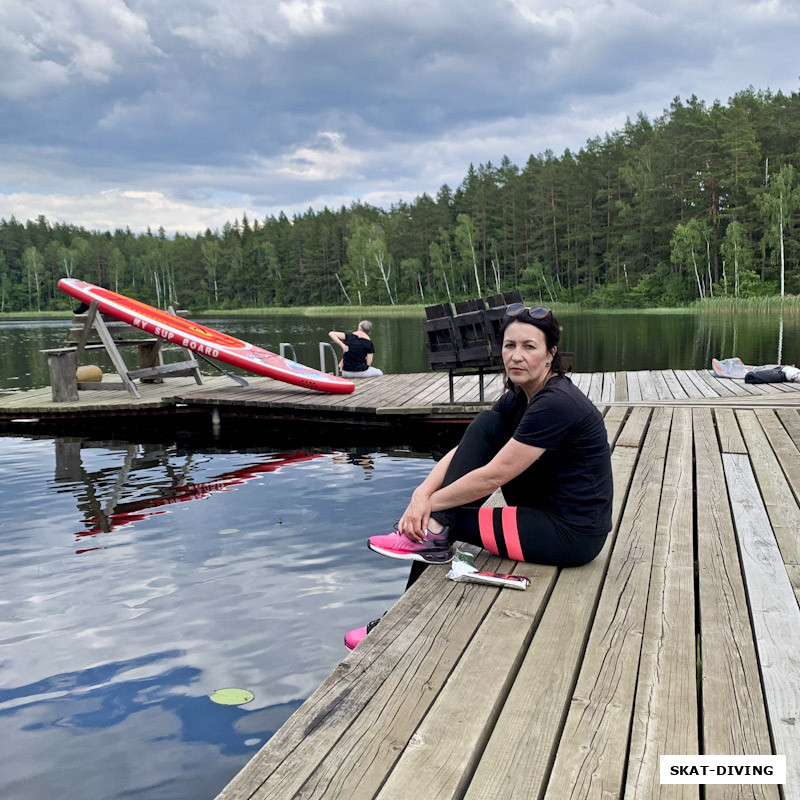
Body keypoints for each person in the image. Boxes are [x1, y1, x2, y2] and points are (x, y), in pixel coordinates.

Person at [344, 304, 613, 650]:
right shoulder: (520, 397)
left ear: (551, 355)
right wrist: (422, 494)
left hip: (572, 533)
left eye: (529, 347)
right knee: (487, 424)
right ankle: (431, 535)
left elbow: (493, 477)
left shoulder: (556, 403)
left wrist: (431, 509)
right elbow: (464, 450)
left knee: (447, 527)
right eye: (509, 345)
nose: (516, 356)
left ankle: (390, 625)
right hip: (537, 512)